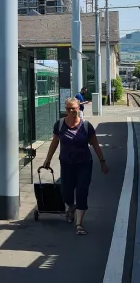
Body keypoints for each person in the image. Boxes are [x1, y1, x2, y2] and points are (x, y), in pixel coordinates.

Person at [42, 97, 108, 235]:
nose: (71, 111)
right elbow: (54, 143)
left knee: (82, 192)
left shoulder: (86, 126)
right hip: (66, 164)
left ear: (79, 108)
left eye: (74, 108)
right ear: (65, 110)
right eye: (68, 108)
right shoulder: (59, 125)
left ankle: (79, 224)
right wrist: (47, 160)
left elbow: (95, 144)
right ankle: (71, 207)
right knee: (67, 193)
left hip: (84, 163)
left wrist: (102, 162)